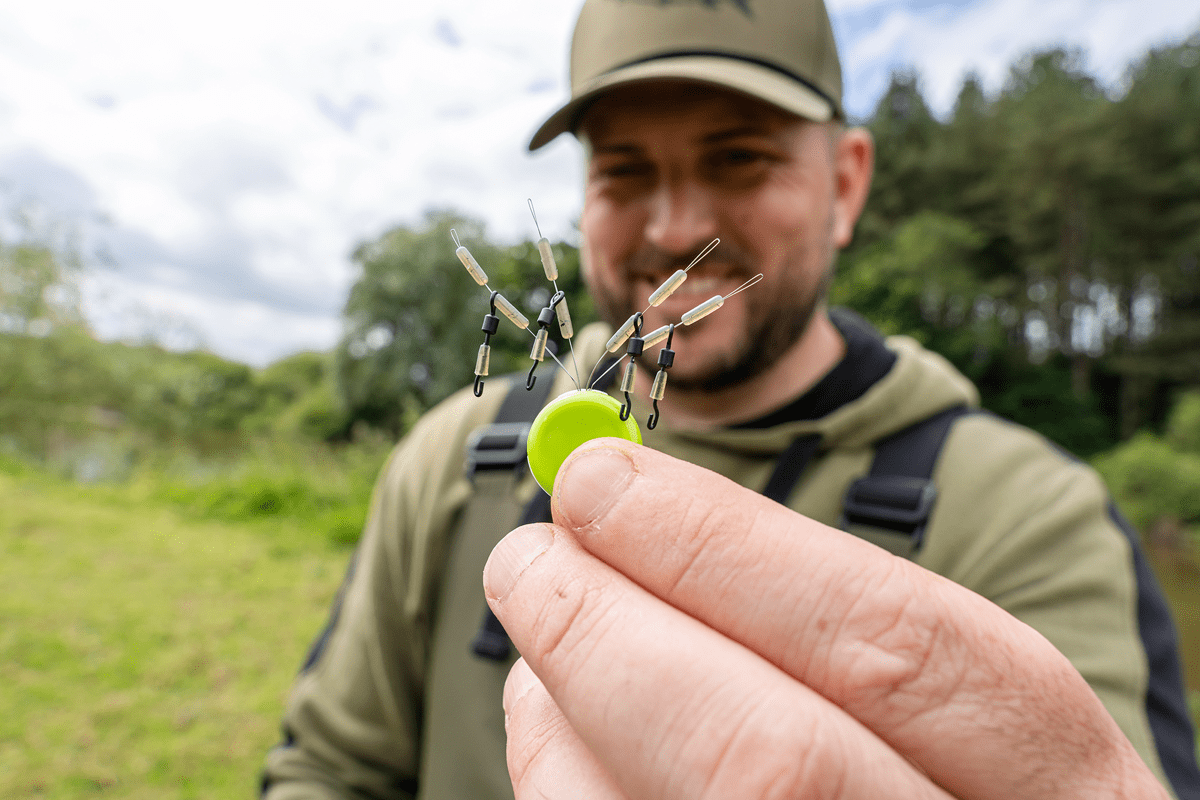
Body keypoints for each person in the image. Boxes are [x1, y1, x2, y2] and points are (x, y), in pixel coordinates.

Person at [261, 0, 1200, 798]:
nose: (675, 228)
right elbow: (327, 768)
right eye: (624, 170)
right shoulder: (450, 455)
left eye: (740, 158)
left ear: (846, 182)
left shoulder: (1035, 519)